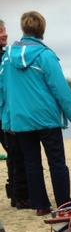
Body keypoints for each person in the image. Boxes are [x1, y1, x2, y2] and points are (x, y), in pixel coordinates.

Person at [0, 11, 71, 216]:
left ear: (23, 29)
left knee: (31, 163)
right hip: (47, 119)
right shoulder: (46, 56)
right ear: (42, 30)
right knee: (56, 162)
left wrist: (6, 120)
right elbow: (61, 90)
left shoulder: (7, 58)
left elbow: (3, 91)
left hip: (21, 121)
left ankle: (41, 205)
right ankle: (64, 203)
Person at [0, 19, 29, 209]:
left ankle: (16, 195)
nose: (5, 34)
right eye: (0, 31)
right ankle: (20, 197)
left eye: (4, 30)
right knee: (16, 153)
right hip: (4, 114)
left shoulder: (6, 55)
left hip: (8, 112)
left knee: (14, 152)